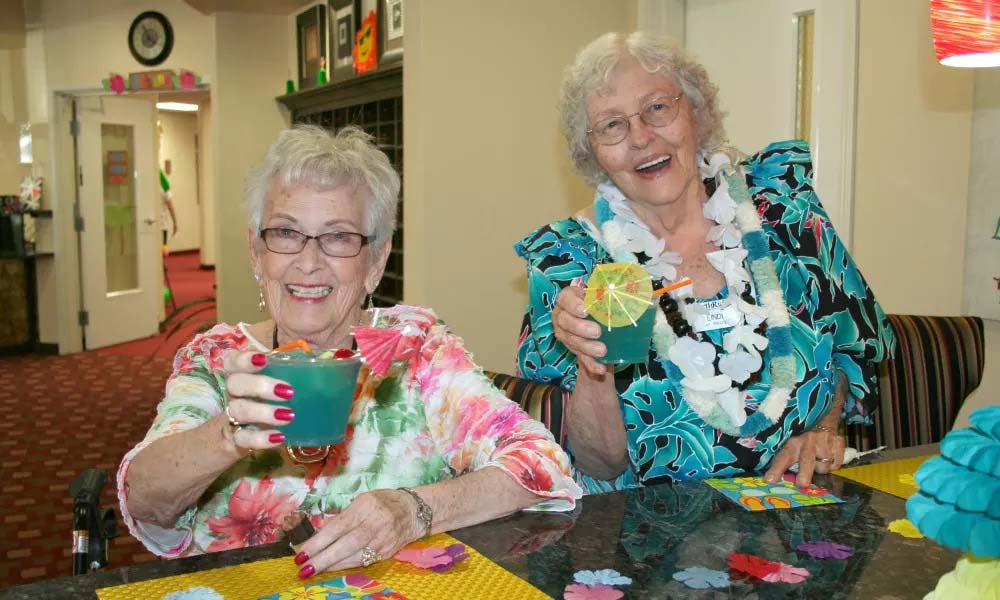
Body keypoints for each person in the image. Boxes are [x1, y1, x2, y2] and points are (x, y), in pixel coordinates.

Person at [119, 125, 581, 578]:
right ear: (257, 252)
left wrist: (415, 510)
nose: (308, 261)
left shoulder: (414, 348)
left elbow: (541, 462)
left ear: (375, 261)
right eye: (285, 232)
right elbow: (144, 501)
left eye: (338, 237)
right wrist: (226, 435)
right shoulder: (219, 357)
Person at [515, 32, 895, 494]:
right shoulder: (572, 263)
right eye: (611, 125)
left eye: (657, 107)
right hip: (646, 537)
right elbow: (599, 464)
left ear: (695, 110)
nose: (640, 137)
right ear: (592, 151)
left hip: (798, 509)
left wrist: (824, 429)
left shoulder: (783, 211)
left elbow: (846, 344)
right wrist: (593, 365)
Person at [159, 168, 178, 244]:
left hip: (153, 225)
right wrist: (175, 223)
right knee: (162, 251)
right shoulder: (164, 183)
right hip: (162, 225)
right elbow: (170, 206)